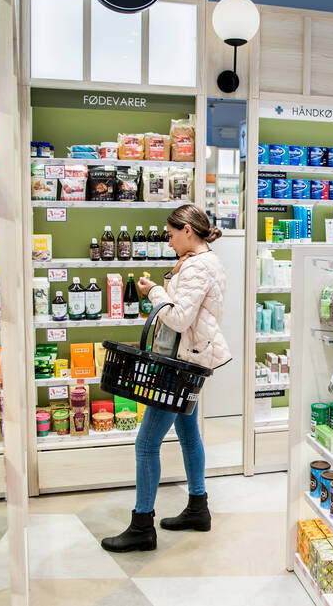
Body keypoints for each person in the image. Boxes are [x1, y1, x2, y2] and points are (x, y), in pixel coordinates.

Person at [101, 204, 231, 553]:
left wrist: (153, 292)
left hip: (178, 364)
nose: (169, 241)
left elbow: (178, 318)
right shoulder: (204, 261)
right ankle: (198, 508)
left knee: (146, 444)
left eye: (172, 234)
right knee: (189, 434)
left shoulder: (198, 266)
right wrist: (169, 279)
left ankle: (142, 526)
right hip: (189, 360)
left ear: (188, 230)